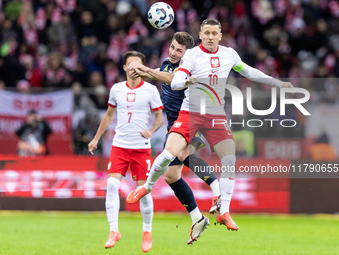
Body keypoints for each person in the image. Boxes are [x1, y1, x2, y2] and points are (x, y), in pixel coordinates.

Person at [127, 18, 294, 240]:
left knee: (228, 159)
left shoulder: (229, 55)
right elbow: (173, 80)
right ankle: (151, 189)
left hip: (214, 115)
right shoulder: (192, 56)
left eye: (214, 33)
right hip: (190, 114)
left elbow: (250, 72)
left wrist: (279, 83)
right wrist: (173, 77)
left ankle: (223, 209)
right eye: (207, 33)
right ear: (201, 34)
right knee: (170, 164)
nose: (211, 37)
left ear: (220, 35)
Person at [128, 32, 221, 215]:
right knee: (171, 176)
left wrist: (145, 69)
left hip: (192, 120)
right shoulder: (165, 64)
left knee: (182, 154)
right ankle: (197, 219)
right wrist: (139, 71)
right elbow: (163, 75)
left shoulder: (189, 68)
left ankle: (218, 192)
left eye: (179, 51)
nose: (173, 53)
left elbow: (173, 80)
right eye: (172, 47)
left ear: (187, 54)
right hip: (174, 125)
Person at [88, 51, 164, 252]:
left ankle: (146, 232)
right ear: (124, 67)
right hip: (120, 146)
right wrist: (96, 139)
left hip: (141, 149)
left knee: (143, 192)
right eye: (130, 65)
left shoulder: (150, 90)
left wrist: (150, 131)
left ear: (143, 68)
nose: (134, 68)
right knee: (112, 184)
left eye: (138, 65)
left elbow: (159, 119)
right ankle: (114, 230)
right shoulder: (116, 89)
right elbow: (109, 115)